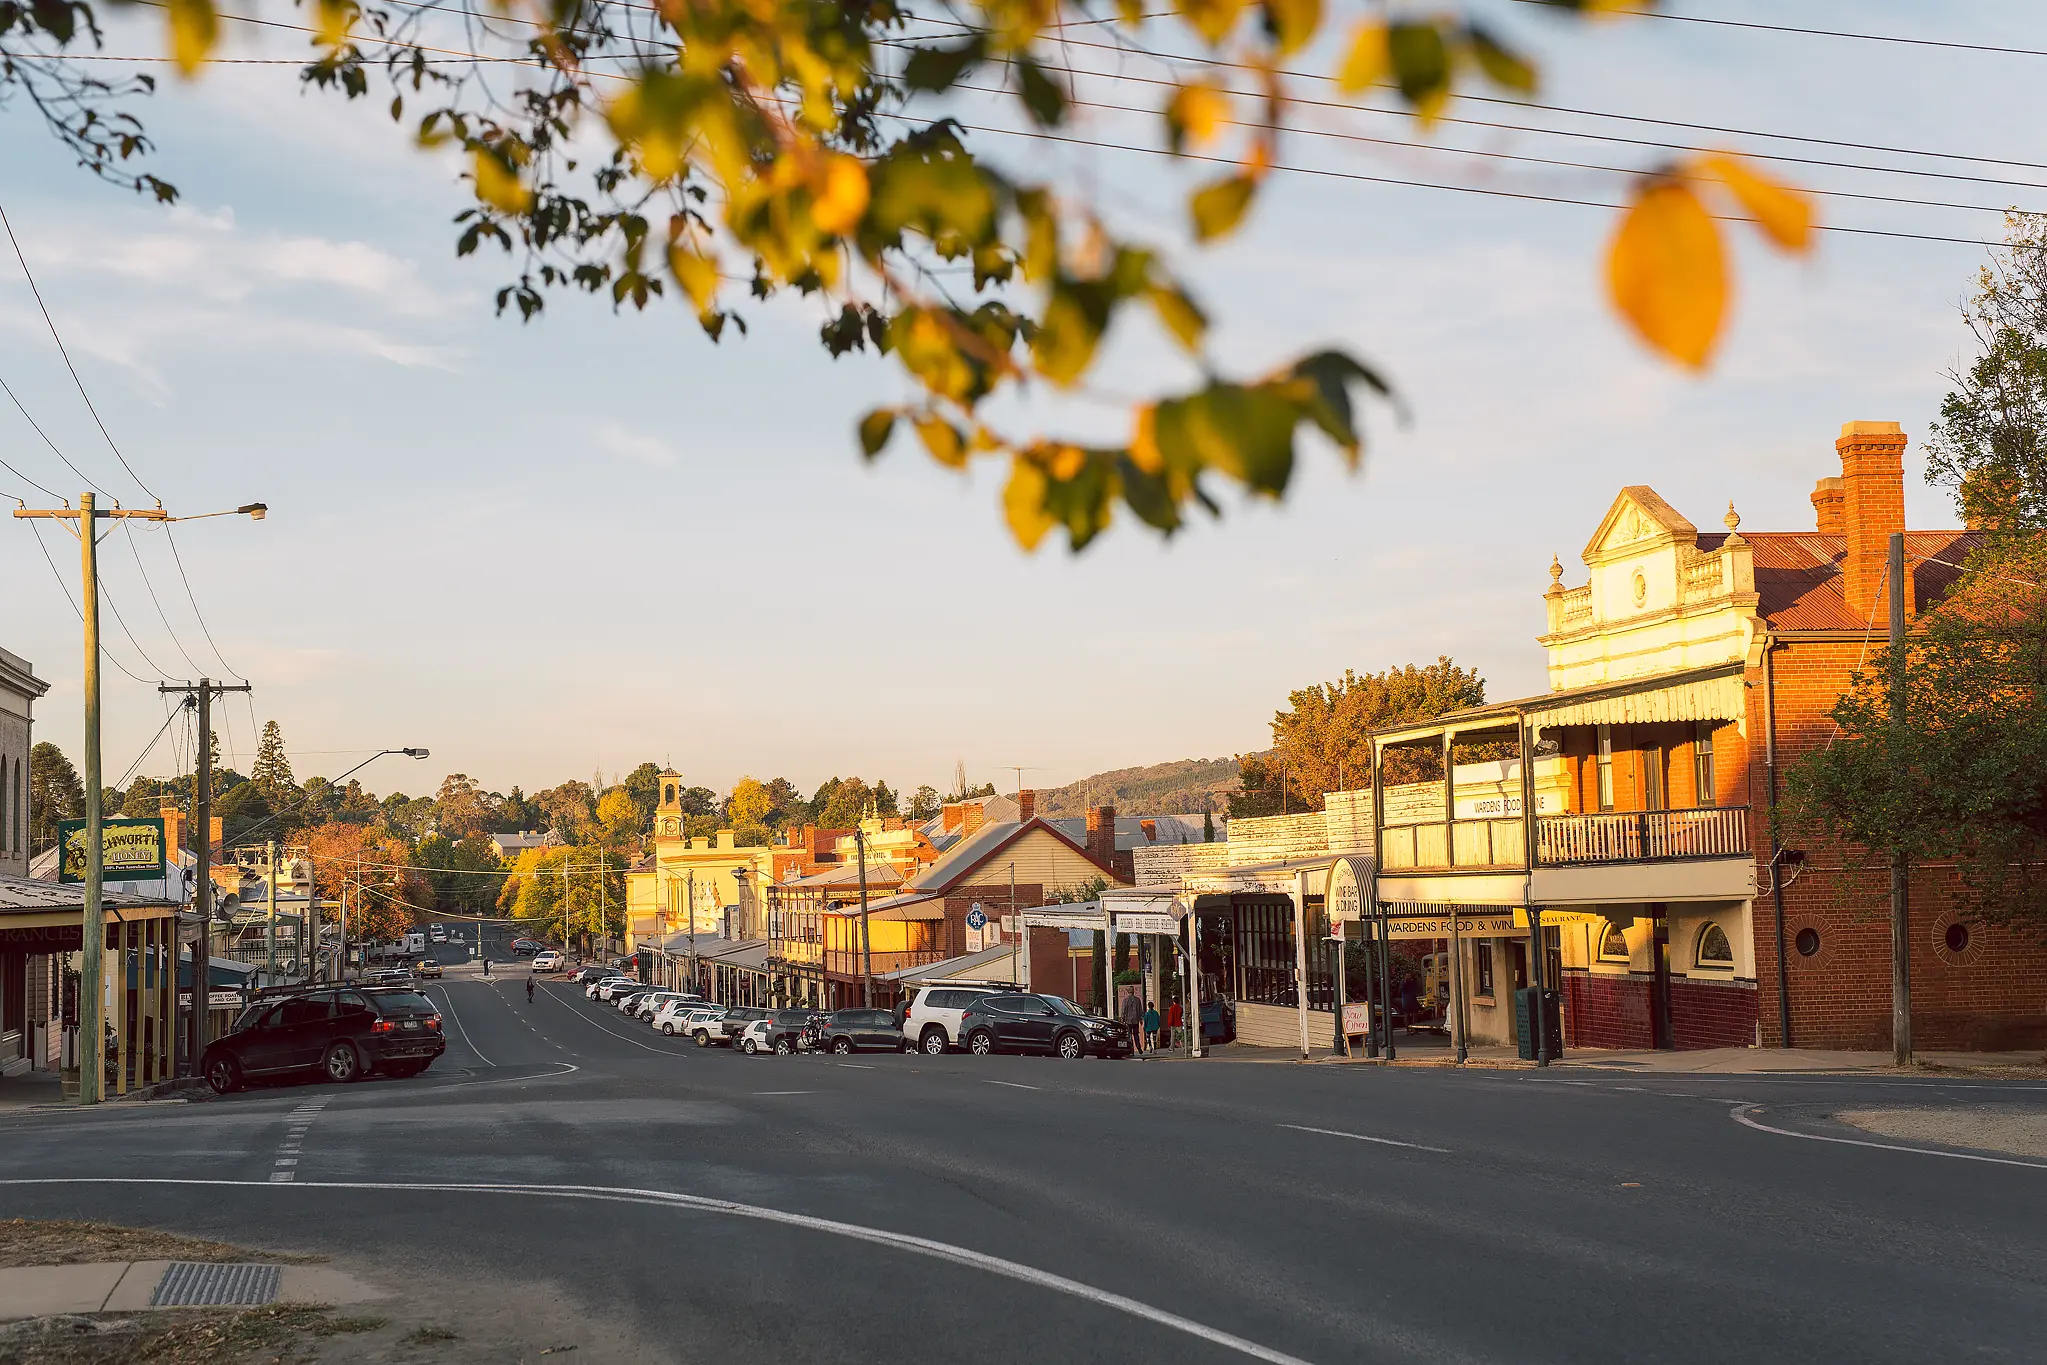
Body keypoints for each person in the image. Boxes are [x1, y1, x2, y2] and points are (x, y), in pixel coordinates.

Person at [1119, 988, 1145, 1056]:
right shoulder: (1137, 1000)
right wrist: (1140, 1019)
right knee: (1136, 1035)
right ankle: (1139, 1047)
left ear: (1128, 992)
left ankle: (1131, 1050)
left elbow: (1123, 1010)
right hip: (1135, 1020)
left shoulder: (1125, 1000)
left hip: (1128, 1021)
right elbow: (1140, 1010)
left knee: (1129, 1035)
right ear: (1133, 992)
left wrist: (1122, 1018)